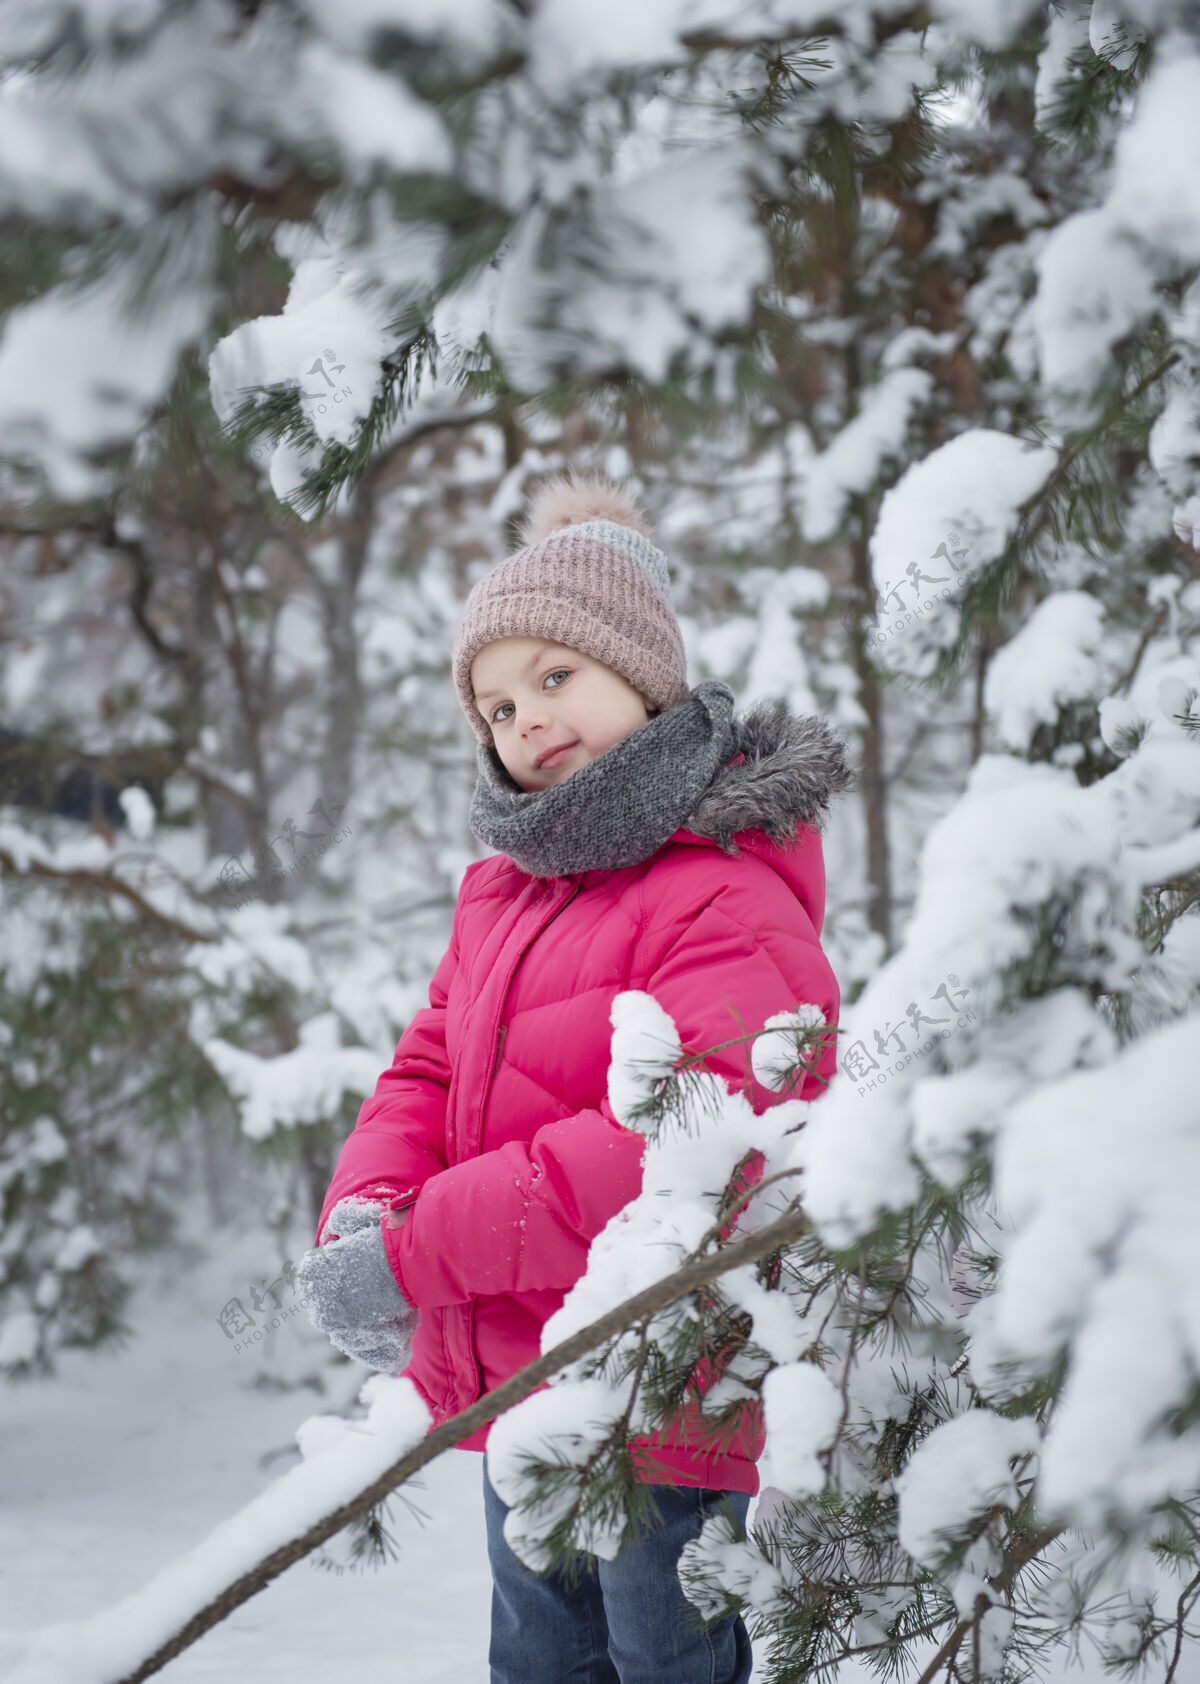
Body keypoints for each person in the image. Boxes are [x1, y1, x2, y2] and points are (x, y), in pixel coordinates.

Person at [295, 471, 854, 1684]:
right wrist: (365, 1205)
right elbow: (426, 1064)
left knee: (665, 1660)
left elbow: (682, 1145)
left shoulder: (725, 886)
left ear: (643, 674)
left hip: (665, 1387)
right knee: (540, 1665)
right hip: (522, 1383)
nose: (526, 719)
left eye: (558, 676)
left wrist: (416, 1249)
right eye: (496, 703)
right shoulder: (504, 892)